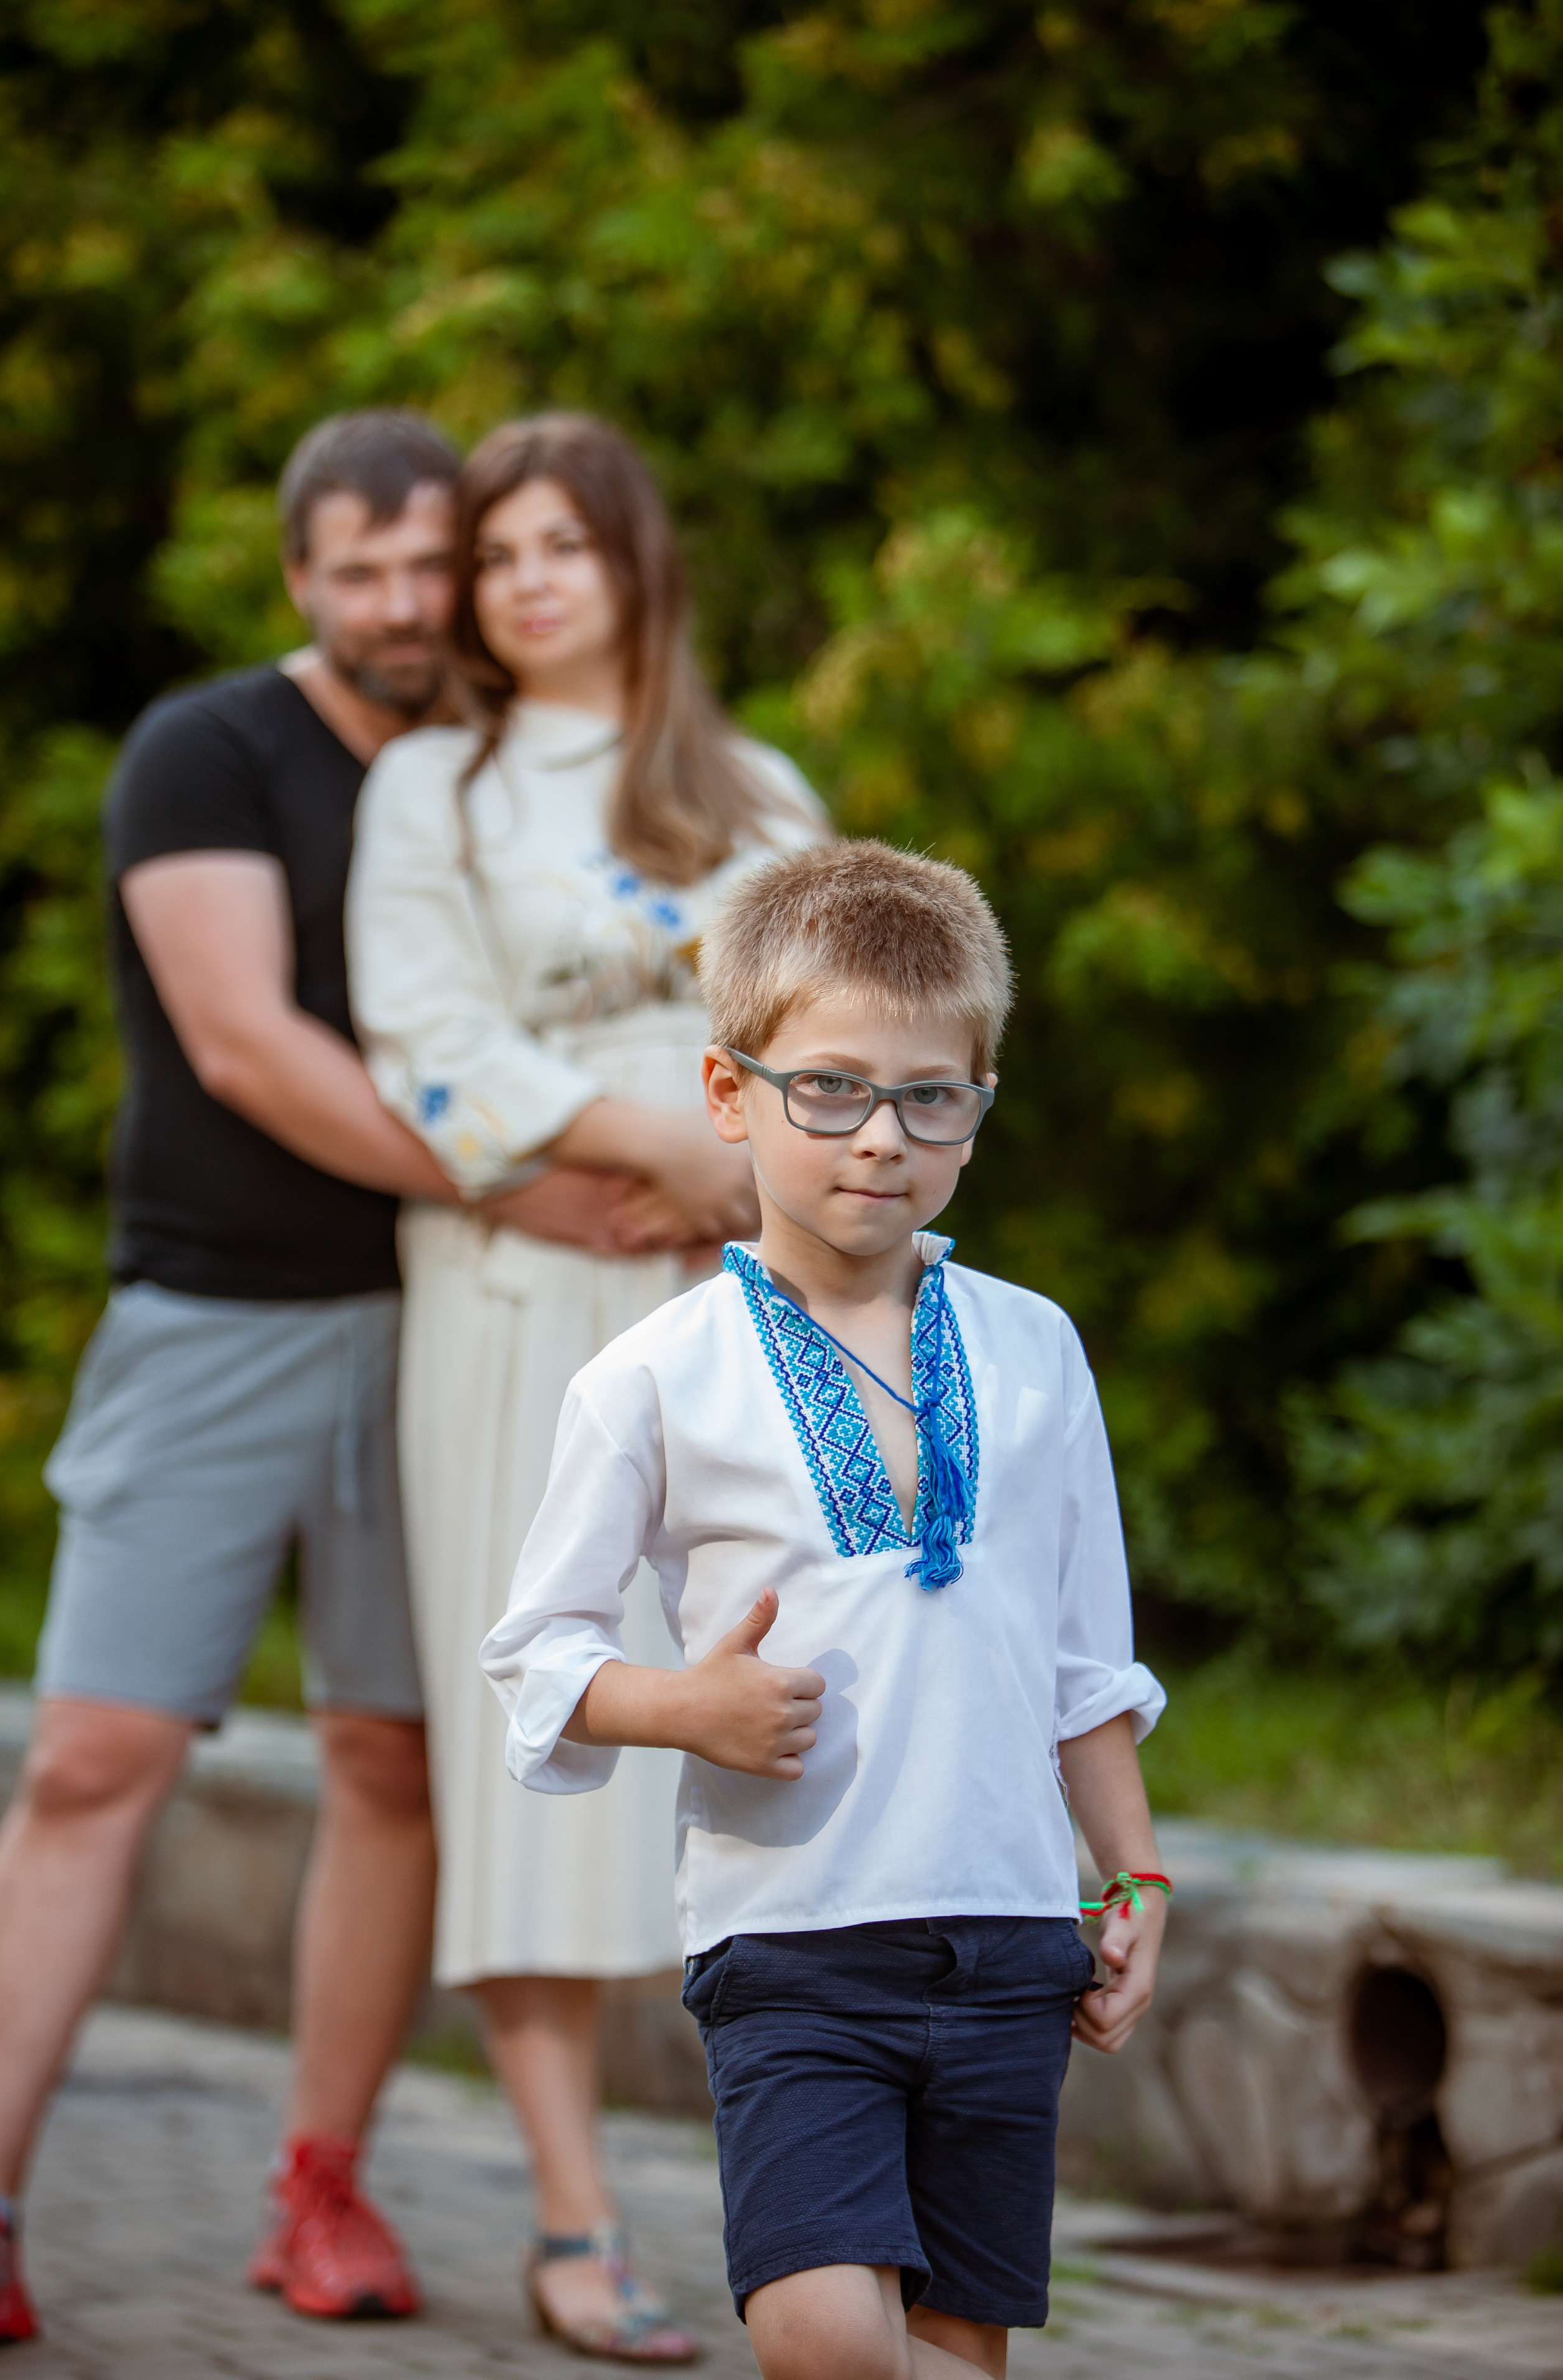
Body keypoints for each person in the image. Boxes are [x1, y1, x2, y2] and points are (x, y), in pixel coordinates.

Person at [0, 407, 624, 2350]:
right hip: (218, 1316)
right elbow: (248, 1047)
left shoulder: (508, 773)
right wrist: (532, 1179)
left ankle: (317, 2193)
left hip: (450, 1323)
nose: (408, 604)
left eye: (435, 566)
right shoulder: (207, 750)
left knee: (394, 1762)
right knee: (102, 1754)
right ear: (299, 576)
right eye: (364, 570)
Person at [480, 840, 1171, 2380]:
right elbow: (536, 1654)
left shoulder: (1036, 1349)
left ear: (978, 1106)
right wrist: (680, 1708)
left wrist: (1131, 1877)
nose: (882, 1138)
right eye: (831, 1090)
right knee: (824, 2340)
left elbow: (1082, 1660)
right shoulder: (653, 1376)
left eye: (933, 1097)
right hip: (791, 1945)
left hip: (1005, 1938)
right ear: (730, 1094)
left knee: (954, 2351)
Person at [346, 410, 824, 2362]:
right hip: (522, 1298)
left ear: (636, 562)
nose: (527, 579)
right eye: (499, 553)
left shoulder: (756, 788)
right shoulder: (435, 793)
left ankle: (808, 2209)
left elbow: (838, 1023)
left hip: (746, 1314)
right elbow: (428, 1051)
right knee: (548, 1741)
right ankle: (570, 2221)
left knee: (778, 1722)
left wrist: (749, 1176)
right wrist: (661, 1146)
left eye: (566, 543)